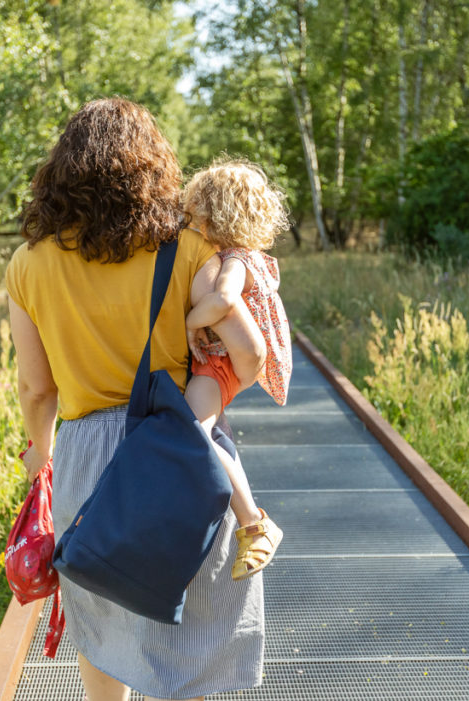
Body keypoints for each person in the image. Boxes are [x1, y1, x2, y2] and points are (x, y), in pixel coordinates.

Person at [5, 98, 267, 701]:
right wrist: (216, 382)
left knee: (102, 625)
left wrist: (38, 454)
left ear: (60, 171)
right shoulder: (186, 246)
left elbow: (36, 387)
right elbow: (248, 354)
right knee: (194, 625)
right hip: (174, 446)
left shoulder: (28, 263)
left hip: (84, 459)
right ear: (151, 166)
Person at [181, 159, 293, 581]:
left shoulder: (234, 261)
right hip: (228, 364)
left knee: (194, 428)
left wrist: (190, 321)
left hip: (220, 365)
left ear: (212, 215)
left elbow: (224, 301)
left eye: (194, 214)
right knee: (207, 431)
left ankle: (255, 525)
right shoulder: (257, 257)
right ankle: (250, 523)